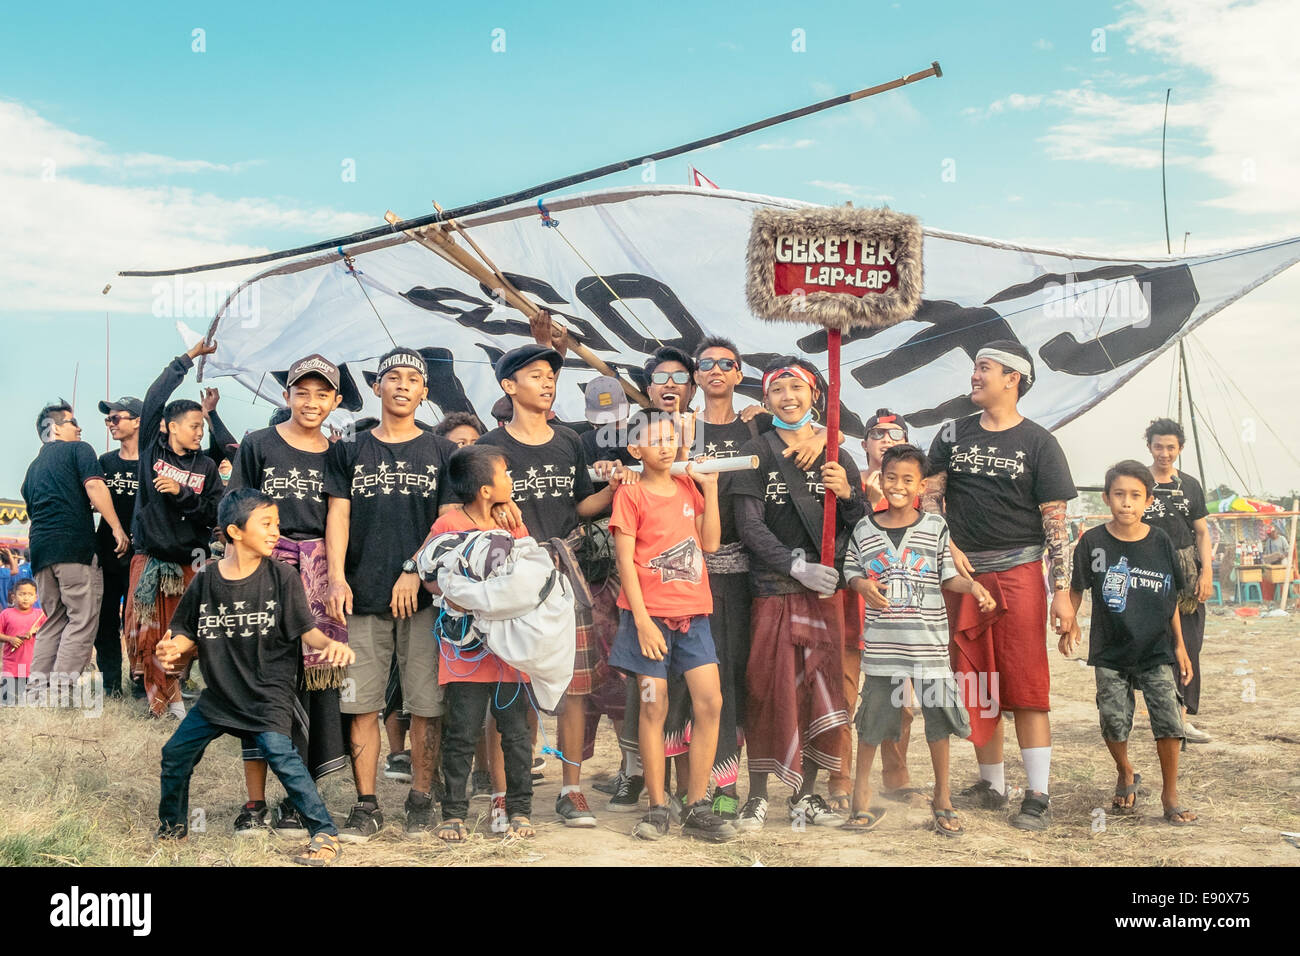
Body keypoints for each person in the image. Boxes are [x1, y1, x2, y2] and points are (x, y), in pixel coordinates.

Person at [155, 488, 356, 864]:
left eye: (277, 524)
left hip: (267, 694)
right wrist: (173, 648)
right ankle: (172, 830)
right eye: (266, 524)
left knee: (285, 761)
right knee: (175, 754)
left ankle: (325, 834)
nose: (275, 531)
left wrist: (328, 644)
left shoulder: (281, 576)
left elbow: (306, 630)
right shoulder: (206, 579)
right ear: (234, 531)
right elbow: (185, 631)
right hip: (219, 695)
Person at [924, 340, 1077, 831]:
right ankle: (992, 784)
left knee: (1026, 685)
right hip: (964, 575)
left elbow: (1056, 524)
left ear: (1013, 378)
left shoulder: (1038, 442)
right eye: (974, 367)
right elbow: (930, 501)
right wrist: (947, 549)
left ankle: (1038, 793)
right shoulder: (951, 434)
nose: (974, 375)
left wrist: (1062, 592)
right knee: (976, 679)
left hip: (1019, 573)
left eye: (983, 368)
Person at [477, 343, 630, 827]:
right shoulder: (487, 448)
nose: (547, 383)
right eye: (537, 375)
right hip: (511, 579)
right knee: (511, 688)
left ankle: (571, 789)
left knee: (573, 687)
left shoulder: (570, 440)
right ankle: (506, 794)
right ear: (508, 386)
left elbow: (580, 505)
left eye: (552, 376)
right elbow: (469, 514)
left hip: (567, 574)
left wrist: (612, 490)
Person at [325, 347, 457, 841]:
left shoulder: (443, 452)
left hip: (423, 599)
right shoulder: (348, 450)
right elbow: (337, 516)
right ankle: (366, 802)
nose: (402, 385)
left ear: (424, 393)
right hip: (361, 596)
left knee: (425, 704)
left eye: (412, 380)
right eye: (392, 378)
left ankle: (421, 797)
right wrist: (336, 576)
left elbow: (446, 525)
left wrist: (412, 568)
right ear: (376, 387)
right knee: (360, 703)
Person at [730, 357, 864, 830]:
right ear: (765, 401)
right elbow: (749, 526)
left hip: (824, 594)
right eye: (778, 389)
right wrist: (795, 566)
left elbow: (860, 523)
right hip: (771, 589)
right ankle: (758, 794)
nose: (788, 396)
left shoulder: (838, 455)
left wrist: (847, 493)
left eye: (797, 387)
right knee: (767, 689)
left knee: (819, 688)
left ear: (816, 396)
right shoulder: (757, 452)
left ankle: (808, 795)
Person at [227, 354, 351, 837]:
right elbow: (234, 511)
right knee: (261, 684)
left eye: (323, 394)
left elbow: (339, 518)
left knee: (315, 689)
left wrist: (336, 578)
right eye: (303, 392)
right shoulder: (258, 444)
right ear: (286, 396)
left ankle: (301, 801)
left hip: (319, 577)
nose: (312, 402)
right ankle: (254, 804)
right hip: (266, 570)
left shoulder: (338, 453)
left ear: (335, 401)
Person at [842, 445, 995, 835]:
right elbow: (850, 571)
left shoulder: (935, 527)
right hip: (882, 647)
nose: (897, 485)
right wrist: (862, 584)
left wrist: (973, 587)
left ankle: (942, 797)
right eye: (890, 477)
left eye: (907, 479)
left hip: (927, 646)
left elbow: (948, 577)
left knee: (938, 723)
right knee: (873, 723)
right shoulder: (864, 528)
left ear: (920, 485)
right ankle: (862, 796)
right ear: (880, 478)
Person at [608, 410, 735, 841]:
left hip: (694, 618)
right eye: (654, 439)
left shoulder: (687, 486)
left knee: (710, 702)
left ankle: (697, 803)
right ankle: (658, 806)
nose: (665, 445)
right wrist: (642, 621)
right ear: (634, 449)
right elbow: (624, 560)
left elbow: (712, 543)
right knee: (652, 704)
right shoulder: (630, 494)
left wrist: (711, 490)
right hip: (649, 622)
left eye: (672, 438)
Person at [1062, 460, 1197, 826]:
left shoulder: (1160, 541)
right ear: (1106, 498)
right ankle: (1125, 769)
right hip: (1110, 649)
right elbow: (1077, 588)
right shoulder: (1092, 542)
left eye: (1135, 496)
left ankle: (1170, 794)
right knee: (1113, 720)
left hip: (1156, 648)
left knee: (1169, 720)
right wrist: (1069, 620)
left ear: (1148, 500)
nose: (1126, 503)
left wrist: (1180, 646)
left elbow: (1169, 598)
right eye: (1119, 494)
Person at [418, 444, 537, 841]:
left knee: (516, 733)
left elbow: (527, 570)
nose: (511, 482)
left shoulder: (511, 522)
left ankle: (520, 810)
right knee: (462, 732)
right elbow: (431, 576)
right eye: (505, 475)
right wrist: (465, 593)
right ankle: (453, 813)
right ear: (486, 490)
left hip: (508, 649)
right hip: (465, 650)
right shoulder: (448, 525)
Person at [125, 341, 225, 719]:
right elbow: (155, 396)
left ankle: (178, 695)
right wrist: (189, 357)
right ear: (171, 427)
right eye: (195, 425)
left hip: (189, 564)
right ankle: (162, 705)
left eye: (202, 426)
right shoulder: (152, 450)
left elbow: (215, 513)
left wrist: (183, 493)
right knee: (148, 635)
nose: (200, 431)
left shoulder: (207, 468)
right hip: (150, 561)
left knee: (185, 636)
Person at [22, 400, 129, 704]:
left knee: (54, 620)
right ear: (54, 429)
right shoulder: (79, 450)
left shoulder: (33, 468)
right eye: (72, 422)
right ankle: (58, 696)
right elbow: (94, 486)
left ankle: (35, 695)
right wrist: (117, 528)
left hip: (41, 551)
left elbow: (37, 506)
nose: (79, 427)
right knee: (82, 620)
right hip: (74, 548)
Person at [835, 406, 916, 808]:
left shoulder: (918, 491)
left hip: (899, 606)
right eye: (878, 434)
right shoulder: (845, 482)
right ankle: (841, 778)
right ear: (864, 444)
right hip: (852, 600)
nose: (887, 439)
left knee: (899, 699)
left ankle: (896, 777)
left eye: (895, 433)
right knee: (844, 695)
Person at [1143, 418, 1214, 744]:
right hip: (1148, 576)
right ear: (1150, 447)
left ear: (1180, 449)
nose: (1164, 452)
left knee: (1188, 646)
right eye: (1159, 446)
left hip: (1186, 581)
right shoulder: (1138, 482)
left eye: (1171, 447)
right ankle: (1156, 716)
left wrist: (1207, 572)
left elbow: (1201, 532)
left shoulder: (1190, 486)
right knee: (1153, 649)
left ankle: (1182, 721)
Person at [95, 396, 143, 699]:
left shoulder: (152, 462)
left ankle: (140, 681)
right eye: (108, 419)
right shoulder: (104, 461)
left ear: (137, 421)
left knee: (138, 622)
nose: (111, 424)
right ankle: (110, 685)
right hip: (107, 552)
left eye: (117, 418)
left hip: (141, 554)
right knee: (105, 620)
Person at [1, 579, 46, 705]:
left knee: (34, 703)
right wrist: (10, 639)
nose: (26, 598)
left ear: (36, 598)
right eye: (22, 594)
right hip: (11, 666)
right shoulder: (6, 614)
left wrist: (38, 630)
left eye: (30, 595)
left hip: (34, 667)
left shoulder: (41, 615)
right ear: (13, 597)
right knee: (8, 702)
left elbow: (49, 632)